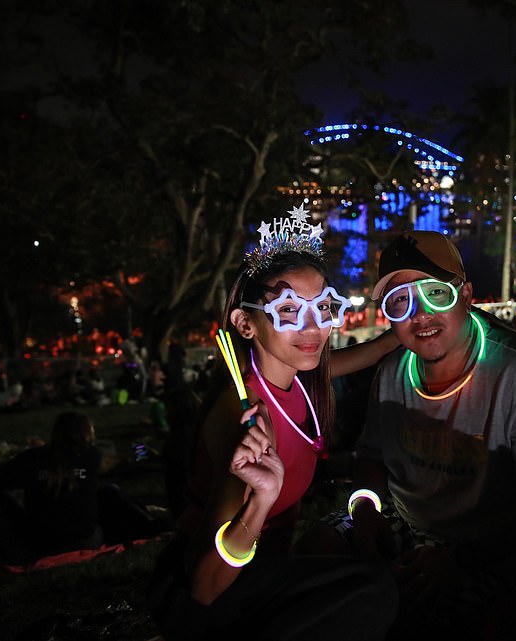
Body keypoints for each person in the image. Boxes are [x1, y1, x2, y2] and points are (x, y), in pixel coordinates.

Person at [300, 231, 516, 638]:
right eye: (401, 301)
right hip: (406, 521)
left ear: (466, 295)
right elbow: (372, 456)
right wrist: (364, 511)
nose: (420, 314)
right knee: (319, 550)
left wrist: (461, 559)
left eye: (435, 292)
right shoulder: (394, 370)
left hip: (489, 540)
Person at [148, 204, 397, 641]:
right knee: (373, 591)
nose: (313, 326)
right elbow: (204, 586)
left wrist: (425, 317)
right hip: (208, 590)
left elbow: (374, 351)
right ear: (245, 323)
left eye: (322, 307)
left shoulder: (301, 378)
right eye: (287, 311)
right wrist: (261, 501)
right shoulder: (244, 414)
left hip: (263, 577)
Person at [0, 411, 104, 564]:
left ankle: (5, 549)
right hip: (87, 542)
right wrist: (140, 446)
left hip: (39, 547)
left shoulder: (33, 458)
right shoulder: (93, 455)